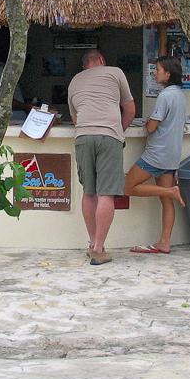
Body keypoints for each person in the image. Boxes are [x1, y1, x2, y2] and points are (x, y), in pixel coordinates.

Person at [68, 49, 135, 266]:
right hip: (109, 136)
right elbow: (130, 110)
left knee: (89, 192)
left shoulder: (74, 81)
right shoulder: (115, 72)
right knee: (106, 193)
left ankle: (93, 244)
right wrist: (119, 131)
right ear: (102, 61)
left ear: (84, 65)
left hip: (83, 136)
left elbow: (76, 118)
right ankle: (99, 248)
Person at [126, 56, 187, 254]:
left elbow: (152, 127)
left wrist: (147, 122)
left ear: (168, 74)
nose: (155, 73)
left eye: (158, 70)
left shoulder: (165, 96)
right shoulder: (180, 95)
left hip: (157, 153)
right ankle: (164, 242)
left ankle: (171, 191)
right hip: (172, 154)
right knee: (165, 201)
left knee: (129, 187)